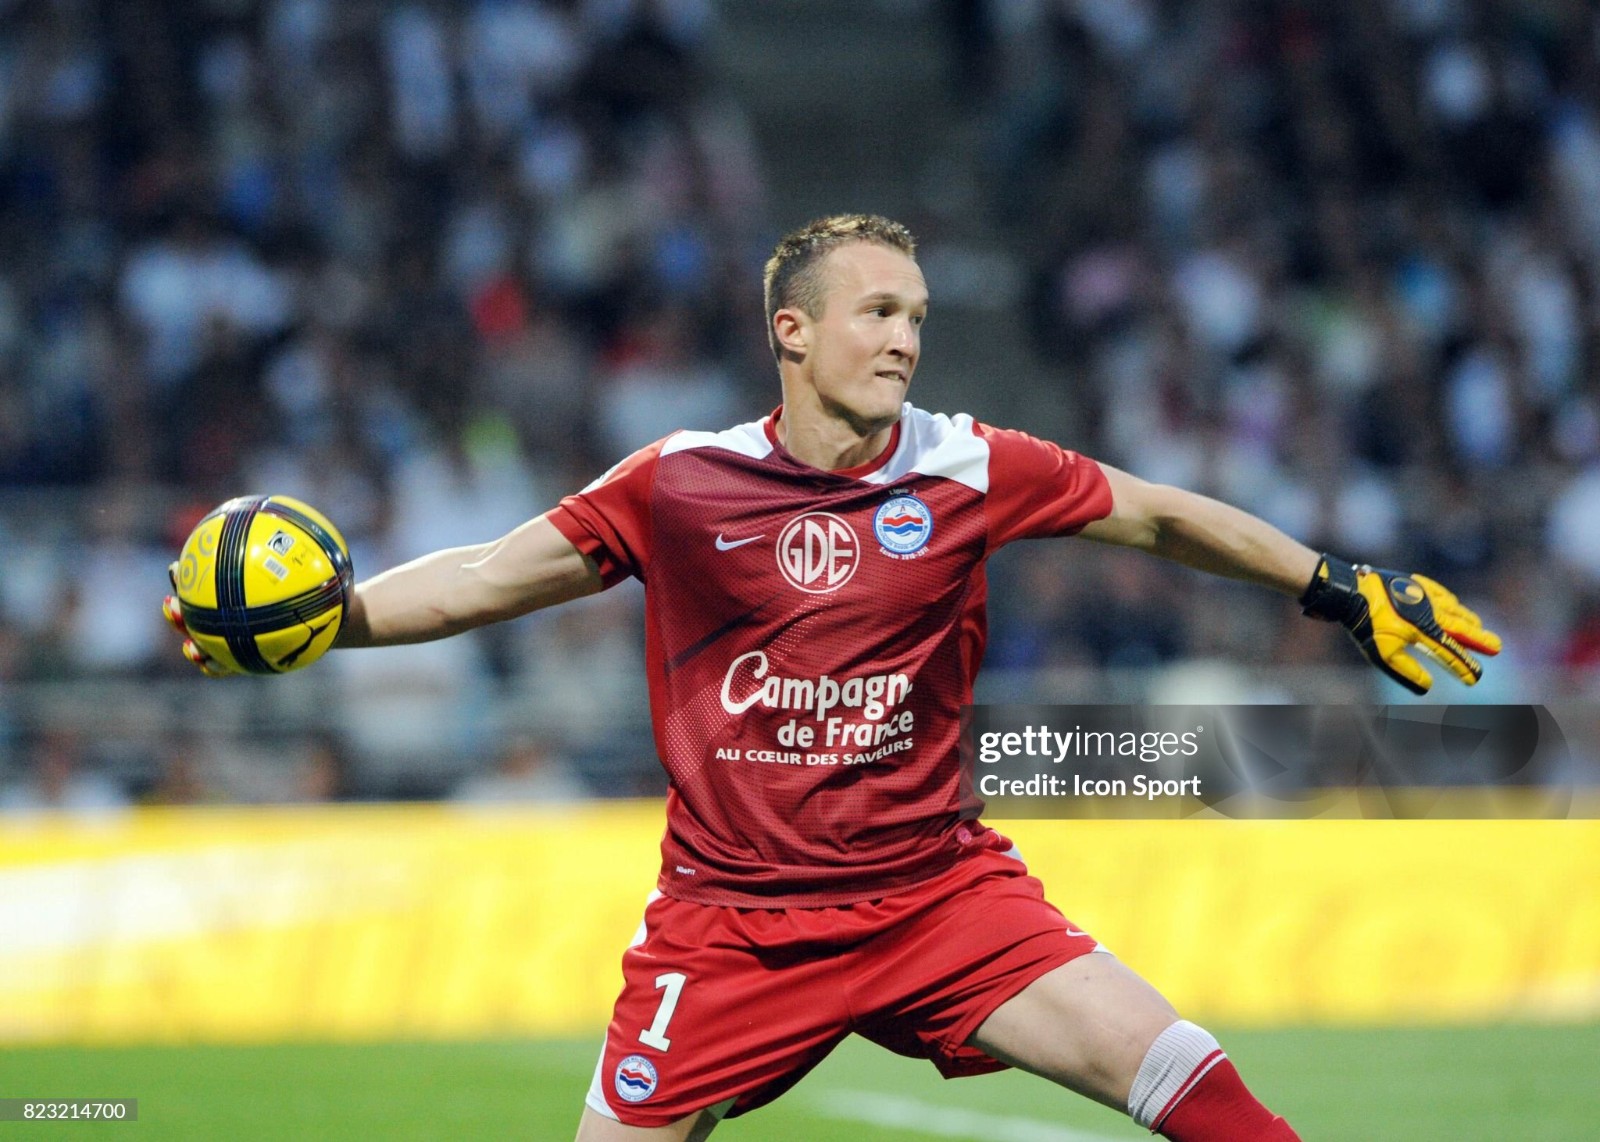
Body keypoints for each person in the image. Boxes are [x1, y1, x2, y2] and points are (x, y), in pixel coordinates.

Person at [163, 215, 1500, 1140]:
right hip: (732, 925)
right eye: (877, 312)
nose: (905, 339)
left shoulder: (969, 465)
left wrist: (1336, 583)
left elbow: (1155, 513)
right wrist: (318, 621)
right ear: (792, 332)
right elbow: (479, 578)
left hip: (937, 895)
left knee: (1199, 1084)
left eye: (916, 315)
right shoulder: (680, 483)